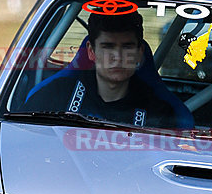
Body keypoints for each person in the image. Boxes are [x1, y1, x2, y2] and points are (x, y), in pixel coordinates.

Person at [24, 9, 182, 129]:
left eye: (127, 47)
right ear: (91, 52)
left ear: (139, 52)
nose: (118, 56)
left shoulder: (158, 113)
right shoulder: (56, 95)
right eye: (108, 47)